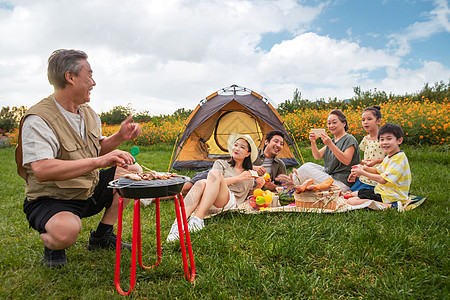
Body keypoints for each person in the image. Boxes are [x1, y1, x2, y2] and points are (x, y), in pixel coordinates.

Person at [15, 49, 142, 268]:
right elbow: (43, 169)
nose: (94, 82)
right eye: (89, 75)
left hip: (87, 190)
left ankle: (102, 236)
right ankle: (52, 240)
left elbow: (95, 149)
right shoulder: (39, 119)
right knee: (66, 231)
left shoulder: (88, 113)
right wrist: (100, 162)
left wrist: (120, 137)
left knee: (133, 171)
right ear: (70, 77)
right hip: (53, 198)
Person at [166, 133, 265, 242]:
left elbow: (249, 195)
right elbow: (214, 181)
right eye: (236, 145)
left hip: (228, 201)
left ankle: (198, 217)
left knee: (212, 176)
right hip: (209, 199)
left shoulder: (249, 174)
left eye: (242, 147)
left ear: (248, 153)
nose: (237, 148)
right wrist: (238, 178)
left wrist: (259, 186)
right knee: (201, 183)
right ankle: (177, 226)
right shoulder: (221, 163)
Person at [181, 130, 287, 194]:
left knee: (203, 191)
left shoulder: (280, 165)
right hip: (226, 173)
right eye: (276, 141)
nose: (279, 145)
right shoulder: (252, 152)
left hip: (243, 188)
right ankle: (169, 193)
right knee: (188, 188)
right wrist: (252, 167)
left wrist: (268, 185)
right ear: (267, 142)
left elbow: (280, 188)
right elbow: (231, 162)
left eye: (281, 144)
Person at [345, 123, 411, 211]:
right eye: (382, 139)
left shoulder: (398, 159)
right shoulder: (390, 156)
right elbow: (377, 170)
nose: (384, 143)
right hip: (382, 191)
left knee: (352, 202)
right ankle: (380, 202)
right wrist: (362, 168)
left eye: (389, 139)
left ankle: (392, 206)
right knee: (354, 194)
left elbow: (383, 180)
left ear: (399, 140)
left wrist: (363, 173)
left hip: (392, 196)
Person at [296, 109, 360, 192]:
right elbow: (317, 156)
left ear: (344, 123)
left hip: (342, 183)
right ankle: (289, 189)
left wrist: (330, 144)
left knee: (306, 169)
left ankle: (286, 190)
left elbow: (346, 160)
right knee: (308, 164)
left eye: (334, 122)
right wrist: (313, 142)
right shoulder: (333, 141)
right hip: (331, 177)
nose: (331, 125)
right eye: (329, 123)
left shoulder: (349, 139)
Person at [347, 106, 385, 192]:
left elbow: (392, 158)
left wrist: (376, 161)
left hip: (378, 177)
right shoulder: (366, 139)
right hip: (365, 176)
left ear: (378, 121)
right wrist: (355, 171)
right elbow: (364, 159)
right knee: (348, 194)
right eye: (363, 120)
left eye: (369, 119)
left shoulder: (384, 139)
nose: (365, 122)